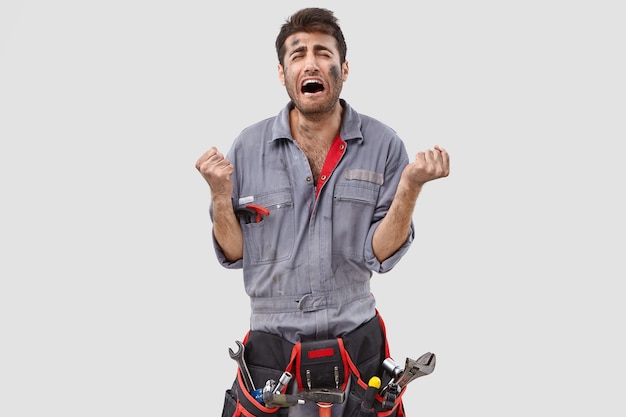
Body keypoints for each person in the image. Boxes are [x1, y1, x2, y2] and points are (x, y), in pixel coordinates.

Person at [195, 7, 449, 417]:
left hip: (357, 350)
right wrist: (219, 197)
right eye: (297, 54)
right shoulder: (247, 146)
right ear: (282, 73)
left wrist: (411, 186)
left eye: (323, 52)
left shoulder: (382, 144)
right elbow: (235, 253)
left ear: (343, 68)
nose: (311, 62)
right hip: (272, 355)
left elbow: (380, 256)